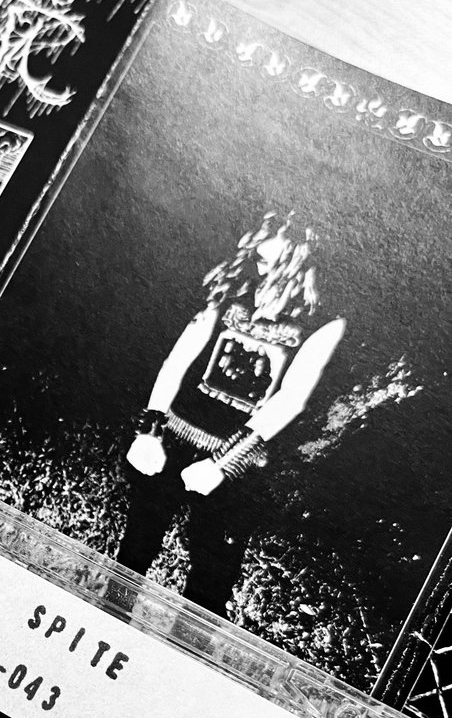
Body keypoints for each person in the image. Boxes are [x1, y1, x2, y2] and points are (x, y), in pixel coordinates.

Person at [115, 212, 346, 618]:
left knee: (212, 568)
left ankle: (188, 645)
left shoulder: (326, 320)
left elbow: (291, 399)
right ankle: (108, 613)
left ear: (304, 259)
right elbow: (177, 361)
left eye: (273, 261)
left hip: (241, 462)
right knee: (136, 541)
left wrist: (223, 464)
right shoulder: (232, 288)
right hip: (175, 436)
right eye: (258, 257)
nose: (260, 268)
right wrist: (149, 430)